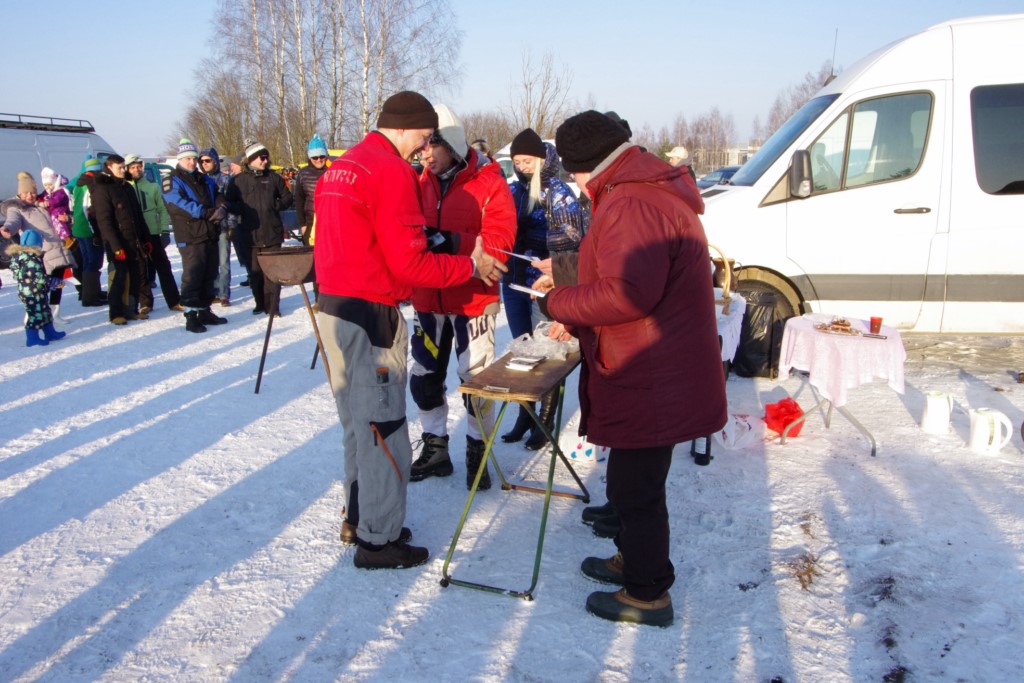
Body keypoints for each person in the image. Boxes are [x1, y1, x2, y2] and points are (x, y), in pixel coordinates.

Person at [537, 110, 727, 626]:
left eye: (572, 171)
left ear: (585, 165)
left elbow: (626, 293)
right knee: (631, 482)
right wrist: (570, 278)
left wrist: (558, 303)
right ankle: (633, 557)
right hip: (653, 365)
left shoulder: (631, 200)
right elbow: (622, 268)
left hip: (653, 373)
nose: (575, 183)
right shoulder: (637, 188)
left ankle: (647, 593)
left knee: (636, 490)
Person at [313, 90, 506, 570]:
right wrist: (470, 265)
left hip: (333, 308)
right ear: (403, 127)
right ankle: (379, 541)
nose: (424, 147)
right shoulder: (391, 171)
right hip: (372, 313)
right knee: (384, 426)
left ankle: (359, 518)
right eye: (423, 135)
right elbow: (411, 263)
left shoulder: (342, 167)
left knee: (357, 423)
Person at [408, 104, 516, 489]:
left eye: (432, 145)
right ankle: (435, 448)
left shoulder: (489, 181)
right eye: (421, 145)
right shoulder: (417, 182)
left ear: (452, 144)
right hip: (427, 299)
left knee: (476, 384)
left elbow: (501, 245)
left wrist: (455, 242)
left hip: (473, 301)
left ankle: (477, 452)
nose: (424, 154)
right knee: (423, 379)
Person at [499, 127, 587, 450]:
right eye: (517, 162)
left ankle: (545, 419)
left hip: (545, 280)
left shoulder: (558, 191)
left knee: (547, 350)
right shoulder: (514, 189)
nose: (522, 167)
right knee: (522, 348)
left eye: (527, 161)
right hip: (514, 279)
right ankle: (526, 414)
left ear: (540, 158)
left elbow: (573, 235)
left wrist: (533, 238)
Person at [163, 138, 228, 333]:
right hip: (190, 234)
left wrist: (221, 207)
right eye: (188, 159)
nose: (192, 162)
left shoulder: (204, 178)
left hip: (209, 232)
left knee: (209, 273)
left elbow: (218, 193)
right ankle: (191, 315)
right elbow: (177, 204)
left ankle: (205, 310)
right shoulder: (172, 179)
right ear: (180, 159)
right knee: (193, 275)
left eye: (194, 158)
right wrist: (205, 212)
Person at [225, 139, 293, 316]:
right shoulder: (238, 181)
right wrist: (242, 209)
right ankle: (259, 303)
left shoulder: (274, 178)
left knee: (273, 273)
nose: (265, 160)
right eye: (262, 157)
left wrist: (276, 205)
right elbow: (228, 202)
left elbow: (288, 198)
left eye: (266, 157)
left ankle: (273, 307)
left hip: (272, 232)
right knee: (255, 273)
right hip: (249, 234)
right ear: (251, 159)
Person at [2, 172, 76, 325]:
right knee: (39, 287)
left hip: (57, 249)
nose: (30, 195)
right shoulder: (16, 208)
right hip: (40, 254)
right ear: (20, 193)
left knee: (58, 284)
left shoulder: (42, 204)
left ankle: (54, 314)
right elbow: (13, 221)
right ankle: (32, 315)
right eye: (26, 193)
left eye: (33, 192)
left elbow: (60, 217)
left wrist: (68, 219)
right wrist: (8, 228)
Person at [90, 155, 152, 325]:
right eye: (120, 168)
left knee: (135, 276)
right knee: (118, 278)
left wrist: (145, 238)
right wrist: (115, 246)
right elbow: (104, 222)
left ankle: (132, 310)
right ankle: (116, 312)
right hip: (117, 242)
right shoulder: (102, 189)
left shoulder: (127, 187)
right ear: (109, 167)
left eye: (124, 167)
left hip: (134, 240)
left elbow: (138, 216)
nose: (124, 170)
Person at [125, 154, 182, 312]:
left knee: (163, 268)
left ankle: (174, 300)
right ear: (127, 169)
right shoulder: (125, 188)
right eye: (133, 167)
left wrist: (164, 231)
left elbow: (163, 210)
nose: (137, 170)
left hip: (153, 233)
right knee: (140, 270)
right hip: (136, 235)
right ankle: (145, 303)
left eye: (139, 167)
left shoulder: (153, 187)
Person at [5, 228, 66, 346]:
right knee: (35, 315)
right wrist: (52, 281)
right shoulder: (31, 259)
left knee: (45, 312)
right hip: (32, 293)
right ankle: (32, 338)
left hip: (35, 291)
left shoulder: (21, 257)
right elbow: (37, 276)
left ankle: (50, 332)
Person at [71, 158, 108, 307]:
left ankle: (92, 292)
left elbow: (73, 205)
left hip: (79, 228)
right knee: (93, 262)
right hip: (88, 228)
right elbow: (87, 209)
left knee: (87, 261)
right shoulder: (90, 184)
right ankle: (90, 297)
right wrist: (95, 232)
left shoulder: (78, 183)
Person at [199, 148, 233, 306]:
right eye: (202, 161)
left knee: (223, 261)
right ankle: (213, 291)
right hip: (206, 227)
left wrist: (232, 225)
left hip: (223, 226)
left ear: (214, 161)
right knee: (210, 262)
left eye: (208, 160)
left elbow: (232, 203)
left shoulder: (225, 179)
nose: (205, 164)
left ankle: (224, 293)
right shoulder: (199, 179)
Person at [293, 134, 330, 247]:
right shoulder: (303, 174)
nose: (319, 160)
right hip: (310, 222)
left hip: (329, 222)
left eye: (322, 156)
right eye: (315, 157)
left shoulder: (332, 171)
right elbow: (299, 200)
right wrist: (303, 225)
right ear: (310, 158)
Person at [226, 152, 251, 286]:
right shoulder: (233, 180)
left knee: (246, 251)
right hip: (237, 222)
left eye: (234, 165)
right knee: (242, 252)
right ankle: (250, 274)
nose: (232, 168)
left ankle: (252, 274)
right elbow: (229, 201)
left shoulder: (243, 180)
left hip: (244, 222)